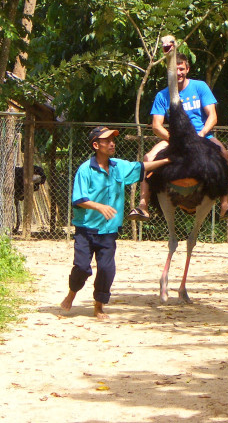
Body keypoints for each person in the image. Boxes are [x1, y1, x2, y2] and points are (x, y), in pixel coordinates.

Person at [127, 35, 228, 222]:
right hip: (174, 138)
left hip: (201, 136)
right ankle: (143, 206)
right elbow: (156, 126)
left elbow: (212, 116)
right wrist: (175, 140)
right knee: (148, 158)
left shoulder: (200, 87)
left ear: (187, 69)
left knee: (224, 153)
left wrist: (201, 134)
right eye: (175, 69)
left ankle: (224, 205)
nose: (179, 72)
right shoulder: (162, 96)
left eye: (181, 69)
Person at [60, 126, 170, 320]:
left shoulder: (119, 166)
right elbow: (78, 199)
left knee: (106, 268)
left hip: (109, 230)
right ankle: (72, 293)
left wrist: (168, 160)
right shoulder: (85, 170)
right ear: (96, 145)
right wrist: (99, 207)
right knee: (82, 268)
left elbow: (142, 167)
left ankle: (98, 306)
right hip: (86, 229)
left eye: (113, 140)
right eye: (107, 140)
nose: (112, 143)